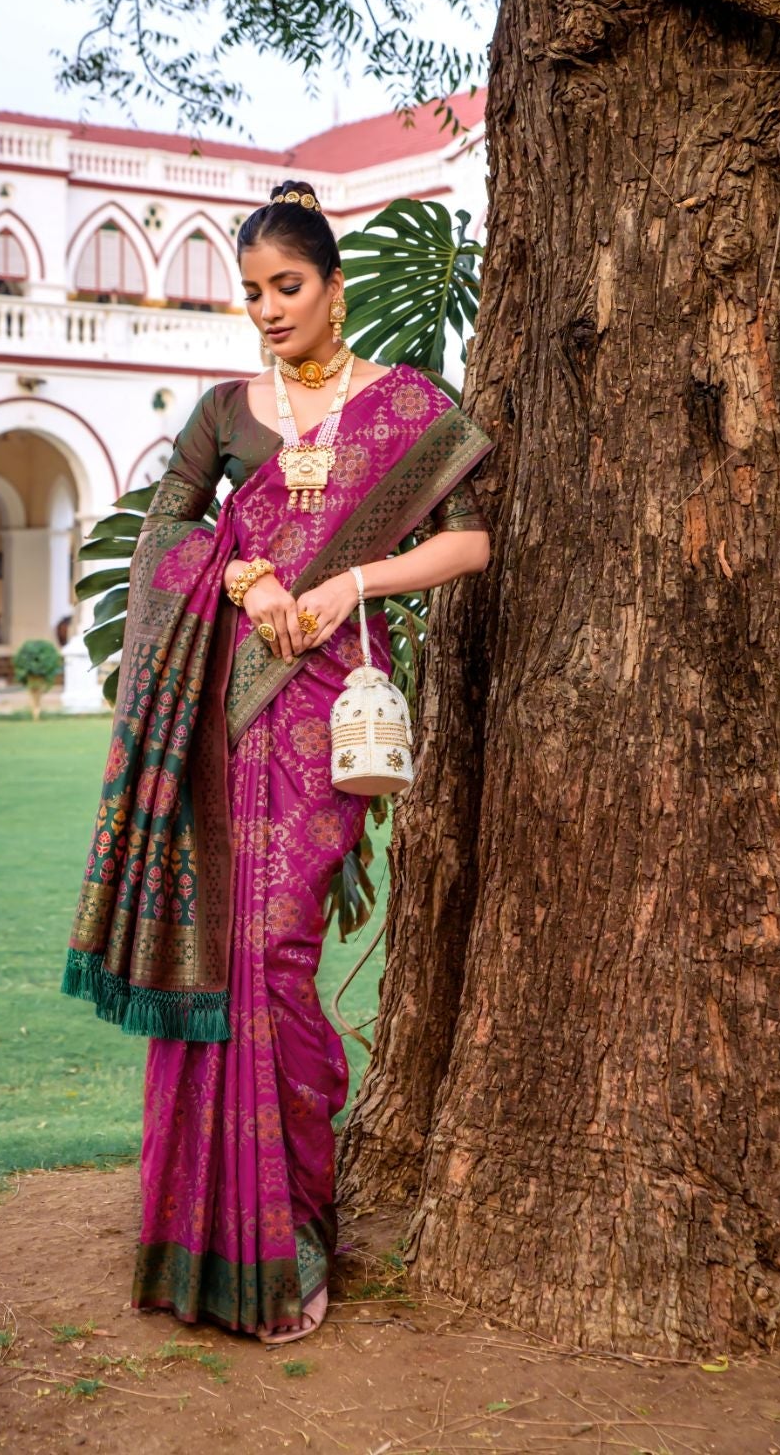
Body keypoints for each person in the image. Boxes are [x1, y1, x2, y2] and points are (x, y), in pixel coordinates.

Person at [61, 179, 495, 1344]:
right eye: (250, 293)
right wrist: (245, 579)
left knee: (280, 951)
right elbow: (165, 534)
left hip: (331, 711)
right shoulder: (222, 414)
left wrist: (351, 581)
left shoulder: (399, 407)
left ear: (334, 286)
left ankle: (297, 1219)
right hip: (229, 715)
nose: (266, 310)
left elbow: (473, 538)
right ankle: (216, 1236)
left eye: (286, 287)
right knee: (229, 955)